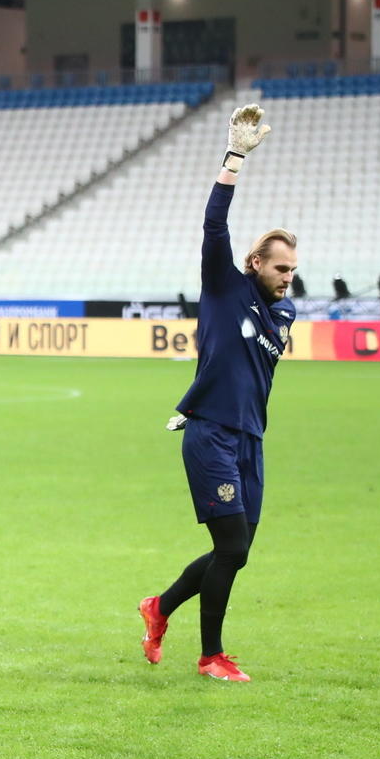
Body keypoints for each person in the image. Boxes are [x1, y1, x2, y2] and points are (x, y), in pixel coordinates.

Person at [139, 104, 296, 683]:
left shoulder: (284, 315)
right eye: (280, 268)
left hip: (251, 438)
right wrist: (234, 159)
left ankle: (159, 607)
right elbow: (214, 228)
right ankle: (211, 656)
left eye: (293, 270)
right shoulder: (226, 288)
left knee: (238, 550)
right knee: (230, 546)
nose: (288, 277)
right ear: (255, 263)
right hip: (211, 436)